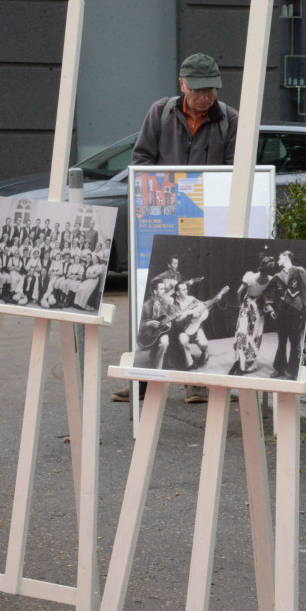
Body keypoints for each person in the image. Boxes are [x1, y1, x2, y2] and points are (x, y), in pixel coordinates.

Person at [113, 53, 240, 404]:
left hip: (205, 220)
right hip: (162, 216)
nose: (206, 97)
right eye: (198, 90)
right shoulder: (161, 112)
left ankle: (195, 383)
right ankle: (144, 379)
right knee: (150, 304)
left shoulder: (229, 120)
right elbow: (140, 160)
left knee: (187, 307)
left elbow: (236, 173)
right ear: (182, 84)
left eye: (211, 89)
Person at [263, 250, 306, 380]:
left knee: (295, 341)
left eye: (280, 257)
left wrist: (304, 308)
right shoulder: (277, 276)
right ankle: (280, 368)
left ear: (286, 257)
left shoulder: (298, 271)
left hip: (296, 311)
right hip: (281, 312)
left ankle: (294, 371)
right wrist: (270, 308)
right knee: (282, 341)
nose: (278, 260)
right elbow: (267, 293)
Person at [229, 255, 276, 376]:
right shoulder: (250, 276)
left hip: (257, 309)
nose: (265, 275)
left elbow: (239, 293)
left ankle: (244, 364)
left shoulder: (271, 279)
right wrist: (241, 307)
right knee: (244, 335)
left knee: (253, 336)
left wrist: (269, 309)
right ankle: (239, 363)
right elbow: (239, 293)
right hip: (249, 307)